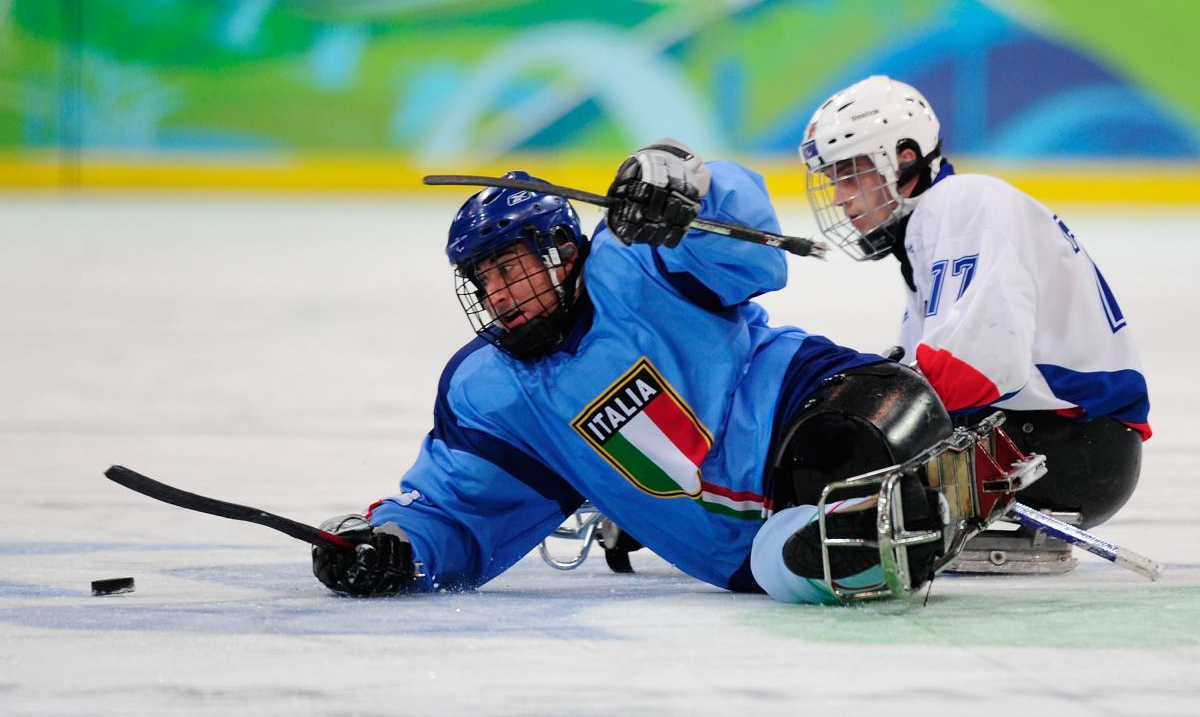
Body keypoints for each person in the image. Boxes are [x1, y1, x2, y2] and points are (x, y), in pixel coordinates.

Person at [311, 140, 959, 604]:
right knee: (788, 556)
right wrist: (397, 546)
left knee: (875, 418)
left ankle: (915, 477)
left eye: (508, 268)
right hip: (748, 542)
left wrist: (690, 185)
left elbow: (758, 259)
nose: (497, 294)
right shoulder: (492, 392)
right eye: (484, 279)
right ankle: (886, 517)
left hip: (806, 402)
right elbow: (459, 509)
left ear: (561, 251)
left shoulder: (636, 254)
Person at [799, 75, 1150, 571]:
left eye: (851, 174)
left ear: (903, 157)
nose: (839, 196)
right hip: (1071, 439)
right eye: (833, 179)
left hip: (1069, 448)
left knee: (840, 444)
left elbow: (979, 369)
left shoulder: (963, 205)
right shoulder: (933, 223)